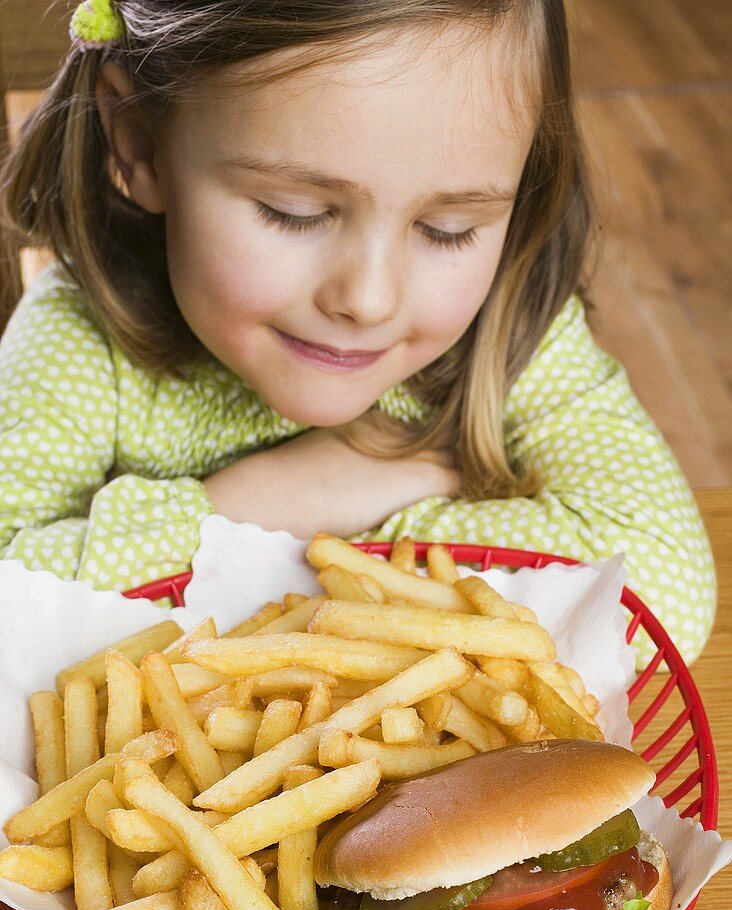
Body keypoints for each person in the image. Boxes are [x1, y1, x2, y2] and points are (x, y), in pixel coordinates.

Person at [0, 0, 715, 667]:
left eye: (448, 230)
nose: (369, 300)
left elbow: (666, 584)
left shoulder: (515, 326)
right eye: (295, 212)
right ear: (140, 145)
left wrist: (340, 545)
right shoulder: (76, 343)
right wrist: (273, 499)